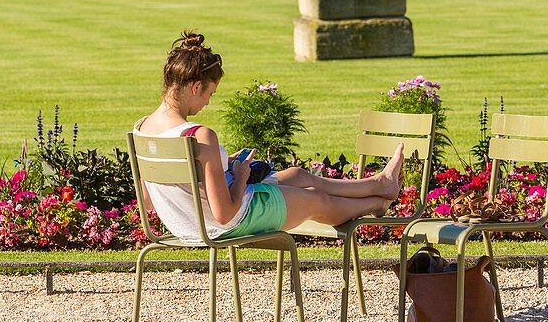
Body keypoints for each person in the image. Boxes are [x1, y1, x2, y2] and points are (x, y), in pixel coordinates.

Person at [134, 33, 403, 244]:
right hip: (225, 224)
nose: (207, 102)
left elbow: (147, 201)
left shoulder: (142, 129)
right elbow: (225, 214)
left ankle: (379, 183)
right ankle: (376, 203)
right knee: (317, 200)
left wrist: (223, 171)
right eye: (209, 94)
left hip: (188, 225)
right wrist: (239, 175)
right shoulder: (199, 135)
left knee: (299, 176)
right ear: (195, 87)